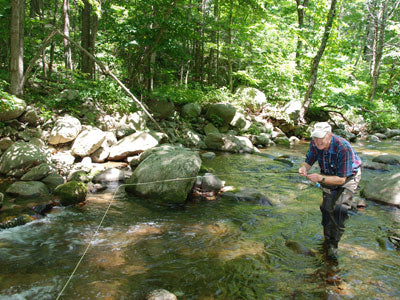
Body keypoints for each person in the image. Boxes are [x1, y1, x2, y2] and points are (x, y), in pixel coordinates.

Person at [298, 122, 362, 261]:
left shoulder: (343, 147)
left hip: (348, 177)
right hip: (327, 176)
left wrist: (320, 178)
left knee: (339, 210)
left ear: (330, 135)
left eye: (321, 138)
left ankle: (333, 245)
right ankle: (327, 239)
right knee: (326, 209)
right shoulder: (315, 143)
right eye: (315, 138)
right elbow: (309, 161)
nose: (318, 141)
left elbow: (341, 179)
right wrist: (304, 168)